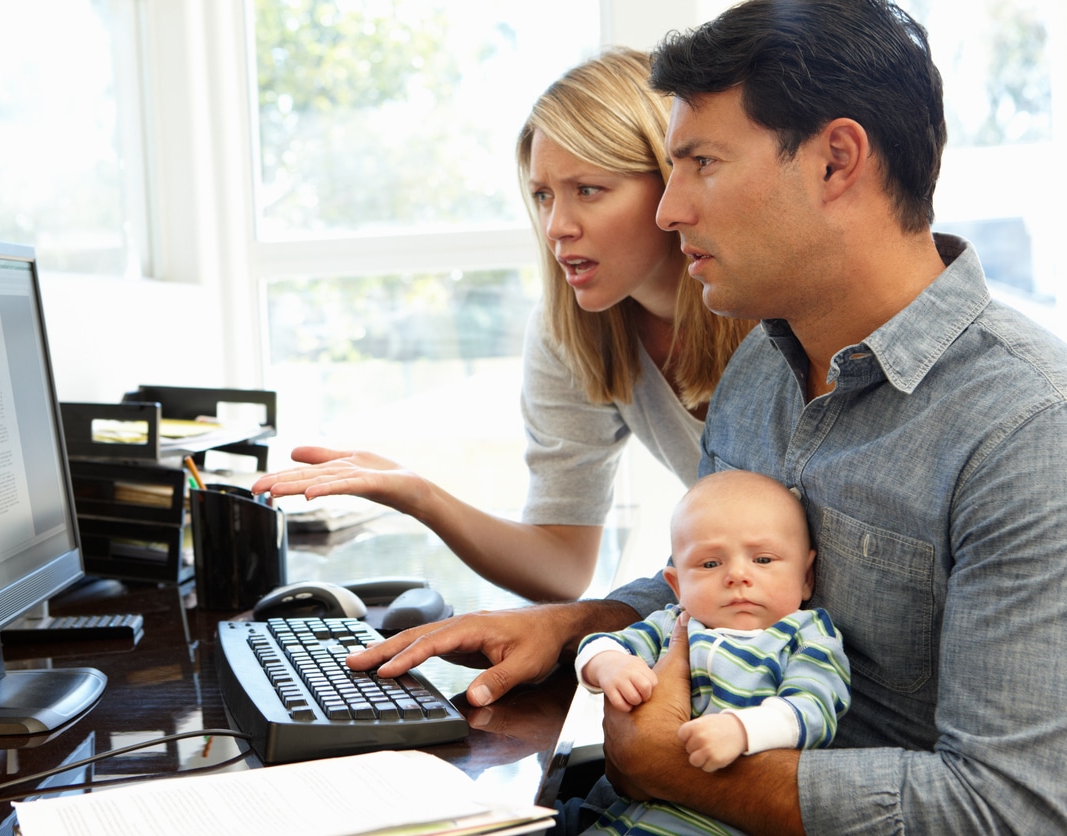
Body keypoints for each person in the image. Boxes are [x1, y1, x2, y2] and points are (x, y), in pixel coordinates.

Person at [345, 1, 1067, 832]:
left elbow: (1013, 809)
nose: (667, 209)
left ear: (837, 161)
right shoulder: (764, 362)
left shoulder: (1027, 431)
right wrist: (573, 625)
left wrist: (679, 775)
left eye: (701, 164)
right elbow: (723, 583)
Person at [252, 47, 753, 603]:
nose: (556, 226)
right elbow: (560, 564)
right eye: (542, 195)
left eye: (588, 189)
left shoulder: (768, 309)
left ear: (669, 183)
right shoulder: (572, 334)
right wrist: (418, 494)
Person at [575, 470, 849, 835]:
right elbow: (601, 643)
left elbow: (814, 709)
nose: (737, 575)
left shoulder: (806, 636)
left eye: (763, 560)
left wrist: (742, 730)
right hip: (620, 812)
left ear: (806, 577)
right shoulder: (676, 622)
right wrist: (608, 664)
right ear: (676, 584)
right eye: (710, 564)